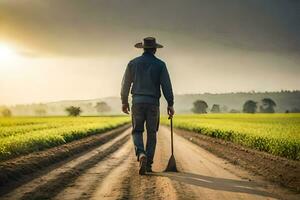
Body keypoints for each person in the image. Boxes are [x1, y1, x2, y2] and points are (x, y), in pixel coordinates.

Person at [121, 37, 174, 175]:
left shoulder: (133, 63)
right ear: (155, 49)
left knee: (137, 131)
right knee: (152, 134)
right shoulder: (160, 65)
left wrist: (124, 101)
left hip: (137, 103)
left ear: (143, 48)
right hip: (153, 104)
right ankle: (148, 164)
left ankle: (141, 154)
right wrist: (170, 103)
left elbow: (125, 84)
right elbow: (166, 85)